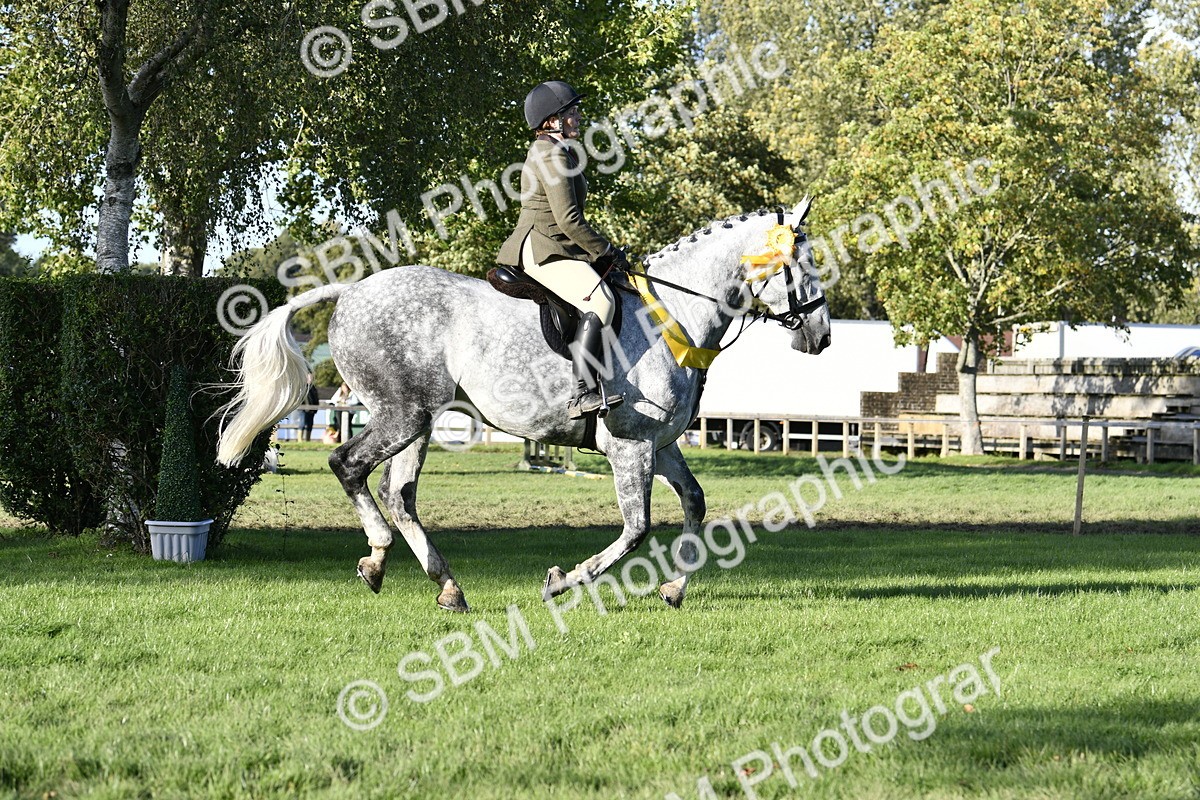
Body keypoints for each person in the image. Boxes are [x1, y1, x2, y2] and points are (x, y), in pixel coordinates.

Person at [497, 80, 629, 419]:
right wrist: (607, 250)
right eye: (572, 111)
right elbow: (569, 220)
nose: (579, 116)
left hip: (555, 242)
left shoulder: (557, 151)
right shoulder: (551, 154)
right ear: (552, 120)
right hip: (544, 246)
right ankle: (581, 393)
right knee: (601, 300)